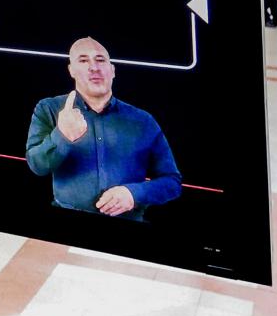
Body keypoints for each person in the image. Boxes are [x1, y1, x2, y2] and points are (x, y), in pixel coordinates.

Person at [24, 37, 181, 219]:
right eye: (83, 60)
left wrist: (134, 194)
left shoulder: (143, 121)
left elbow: (172, 182)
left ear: (112, 70)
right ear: (71, 70)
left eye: (100, 60)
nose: (94, 67)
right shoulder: (49, 109)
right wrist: (62, 136)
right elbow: (37, 166)